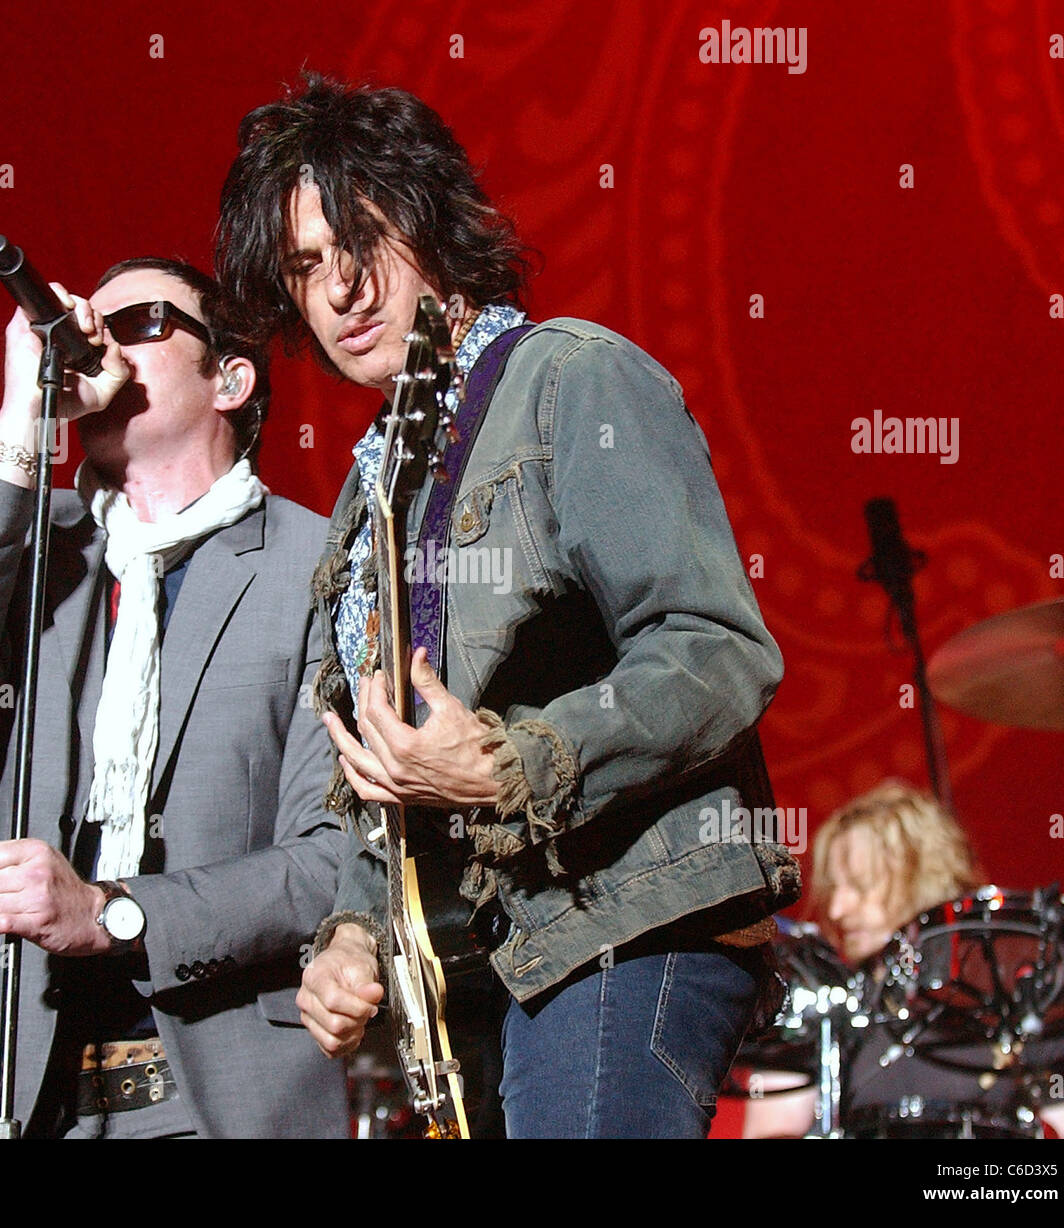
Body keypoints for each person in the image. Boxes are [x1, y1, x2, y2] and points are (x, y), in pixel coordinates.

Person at [215, 74, 801, 1138]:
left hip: (626, 925)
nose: (341, 290)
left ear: (432, 223)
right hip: (479, 967)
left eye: (364, 240)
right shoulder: (372, 487)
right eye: (305, 268)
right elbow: (386, 776)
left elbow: (717, 652)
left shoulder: (571, 380)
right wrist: (350, 935)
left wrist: (510, 761)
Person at [0, 257, 348, 1138]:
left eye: (141, 325)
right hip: (4, 1078)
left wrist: (110, 914)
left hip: (208, 1096)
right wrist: (25, 408)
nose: (105, 346)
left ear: (231, 379)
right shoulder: (36, 543)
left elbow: (330, 861)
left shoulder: (318, 565)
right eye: (95, 327)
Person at [741, 781, 1064, 1139]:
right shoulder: (816, 1004)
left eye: (861, 886)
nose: (837, 909)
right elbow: (771, 1132)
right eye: (833, 888)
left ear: (923, 877)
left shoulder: (1012, 999)